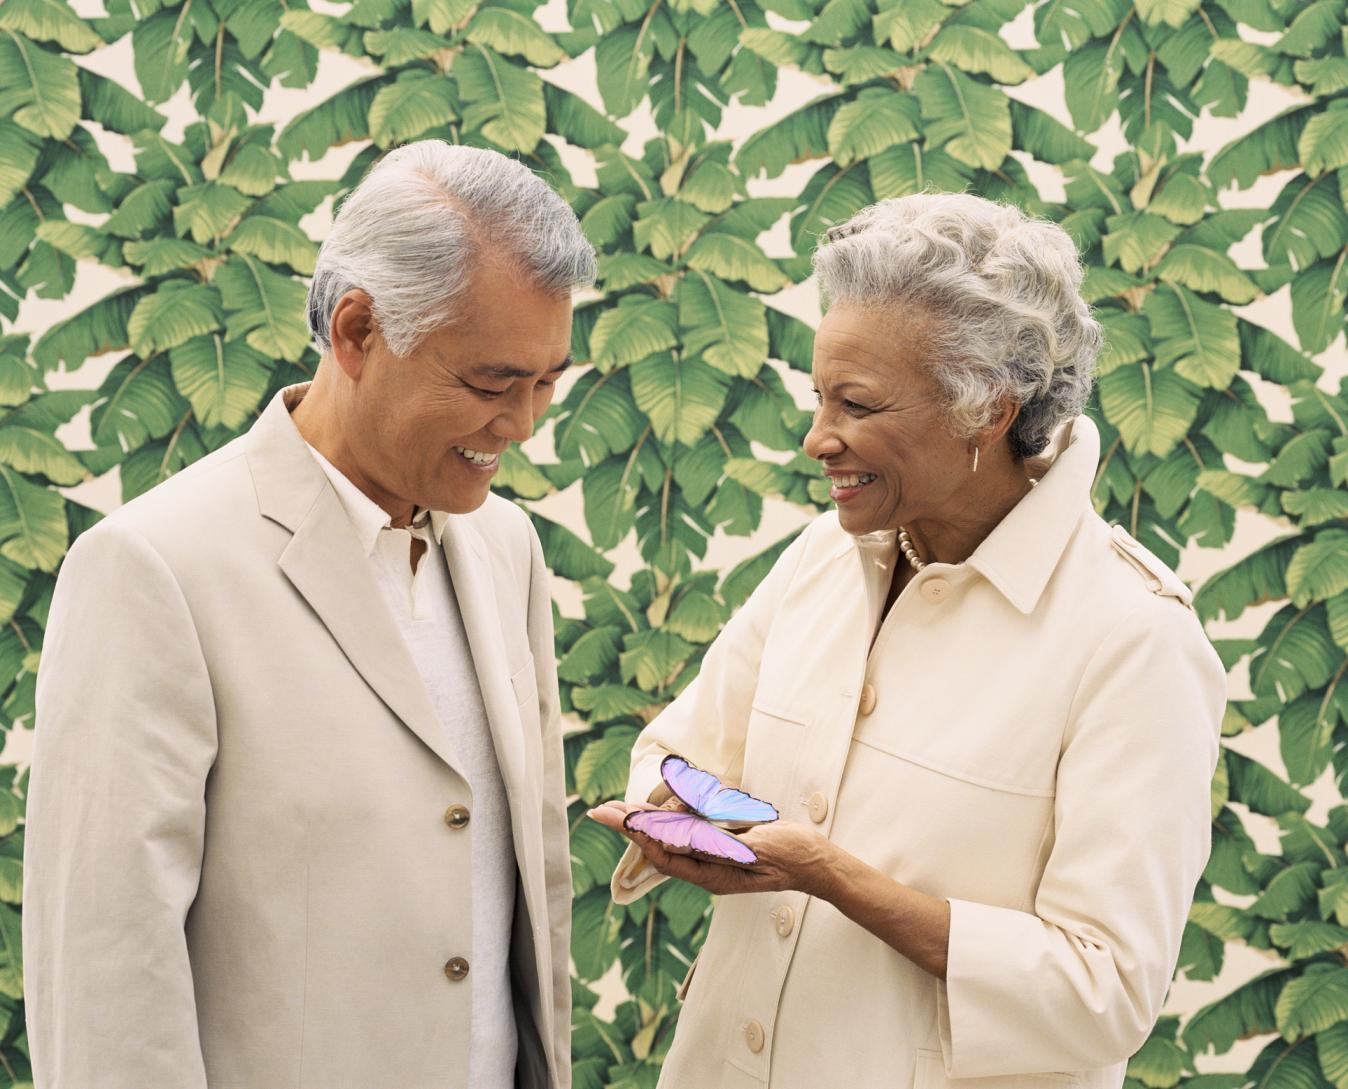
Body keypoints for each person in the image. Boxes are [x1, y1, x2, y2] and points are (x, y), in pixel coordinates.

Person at [589, 193, 1226, 1089]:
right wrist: (672, 806)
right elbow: (687, 745)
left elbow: (1106, 989)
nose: (817, 439)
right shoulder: (824, 553)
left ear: (989, 410)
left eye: (856, 404)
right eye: (818, 397)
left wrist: (832, 877)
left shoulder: (1134, 638)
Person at [24, 141, 596, 1089]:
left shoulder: (507, 550)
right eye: (494, 383)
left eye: (548, 382)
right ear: (358, 330)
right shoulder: (153, 568)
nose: (523, 424)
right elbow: (105, 973)